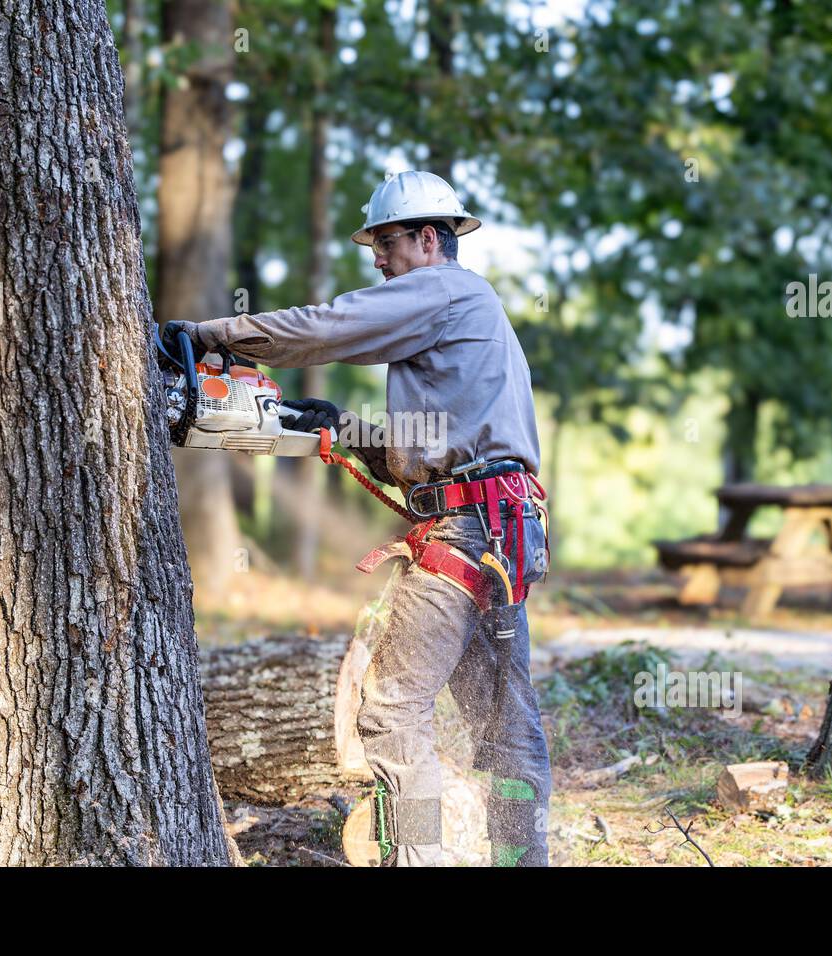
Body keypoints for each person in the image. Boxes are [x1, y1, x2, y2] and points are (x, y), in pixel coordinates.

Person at [163, 169, 552, 866]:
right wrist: (344, 427)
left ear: (429, 239)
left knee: (393, 709)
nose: (377, 256)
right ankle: (524, 859)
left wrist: (209, 335)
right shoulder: (466, 306)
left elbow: (328, 328)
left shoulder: (443, 288)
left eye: (386, 242)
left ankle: (421, 859)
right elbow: (440, 442)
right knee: (504, 722)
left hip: (467, 534)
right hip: (498, 529)